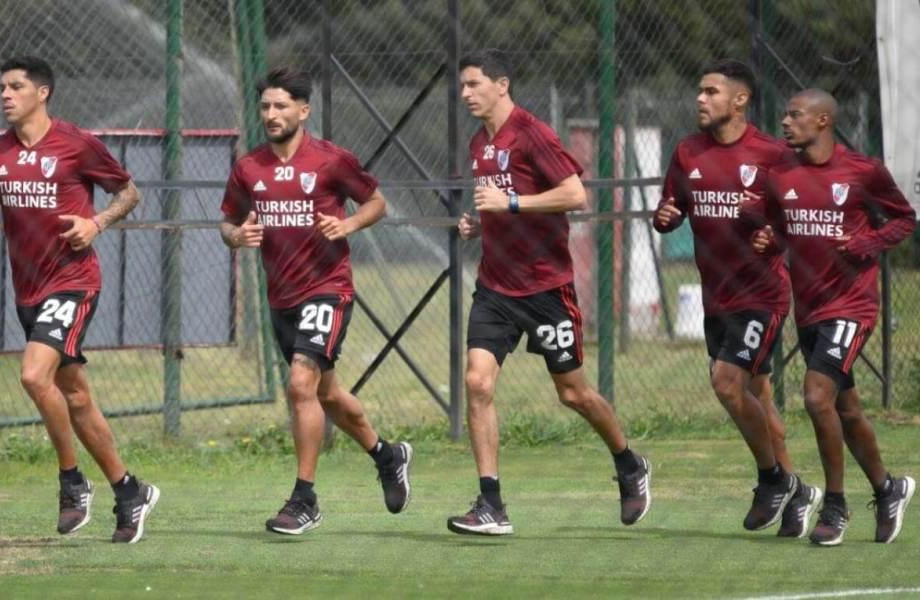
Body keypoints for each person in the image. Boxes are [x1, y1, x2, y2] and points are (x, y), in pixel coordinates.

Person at [446, 49, 650, 536]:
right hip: (495, 287)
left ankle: (628, 463)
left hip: (545, 289)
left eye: (474, 84)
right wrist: (480, 221)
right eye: (463, 86)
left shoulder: (532, 133)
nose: (465, 93)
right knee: (477, 382)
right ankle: (491, 504)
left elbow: (575, 194)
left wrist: (510, 203)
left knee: (573, 393)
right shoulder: (480, 143)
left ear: (502, 84)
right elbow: (499, 204)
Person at [0, 56, 159, 544]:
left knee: (34, 375)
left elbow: (130, 194)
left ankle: (72, 481)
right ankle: (129, 490)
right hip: (28, 291)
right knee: (74, 396)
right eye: (2, 87)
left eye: (15, 87)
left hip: (72, 282)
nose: (5, 95)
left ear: (42, 92)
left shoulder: (76, 144)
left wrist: (97, 223)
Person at [219, 67, 413, 535]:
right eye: (265, 106)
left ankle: (304, 499)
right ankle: (388, 456)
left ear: (303, 111)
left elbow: (377, 203)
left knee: (301, 385)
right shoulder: (249, 167)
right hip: (281, 297)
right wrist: (236, 235)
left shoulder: (331, 160)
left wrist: (348, 226)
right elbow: (227, 222)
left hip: (328, 288)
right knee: (326, 394)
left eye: (281, 105)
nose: (271, 114)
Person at [653, 59, 820, 537]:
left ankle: (773, 479)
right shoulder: (687, 152)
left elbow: (803, 214)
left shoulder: (773, 154)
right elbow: (673, 209)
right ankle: (799, 490)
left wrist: (779, 238)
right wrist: (665, 217)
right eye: (699, 91)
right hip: (716, 298)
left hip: (761, 294)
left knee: (728, 384)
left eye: (710, 92)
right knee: (759, 398)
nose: (700, 99)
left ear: (739, 100)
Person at [752, 88, 916, 546]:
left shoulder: (863, 171)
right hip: (809, 308)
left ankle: (836, 507)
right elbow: (778, 226)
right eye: (784, 114)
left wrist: (868, 245)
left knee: (816, 397)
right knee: (845, 409)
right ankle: (888, 489)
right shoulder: (779, 173)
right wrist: (771, 240)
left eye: (795, 115)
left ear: (823, 121)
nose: (785, 122)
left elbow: (904, 219)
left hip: (852, 305)